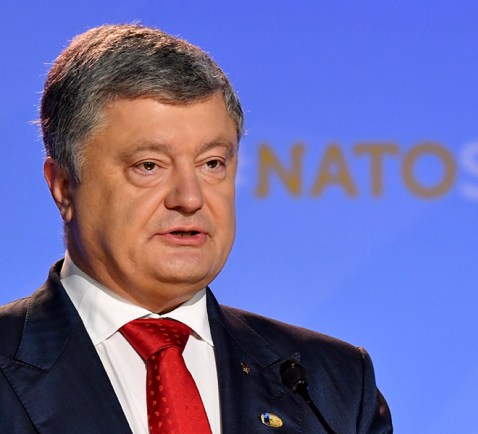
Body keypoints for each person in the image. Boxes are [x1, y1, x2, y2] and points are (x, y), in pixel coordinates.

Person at [0, 24, 392, 434]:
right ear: (63, 186)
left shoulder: (334, 385)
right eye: (149, 165)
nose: (190, 198)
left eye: (212, 164)